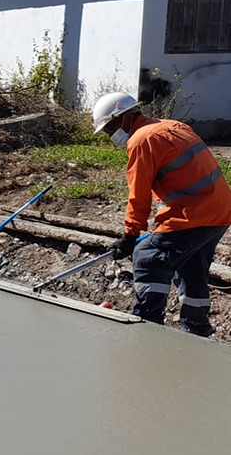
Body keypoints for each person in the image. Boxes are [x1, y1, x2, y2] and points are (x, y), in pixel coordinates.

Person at [93, 91, 231, 336]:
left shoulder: (141, 141)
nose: (108, 134)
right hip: (220, 212)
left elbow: (139, 194)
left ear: (122, 117)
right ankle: (197, 331)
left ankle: (146, 327)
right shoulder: (172, 125)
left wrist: (129, 235)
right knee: (191, 268)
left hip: (194, 215)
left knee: (147, 256)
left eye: (108, 127)